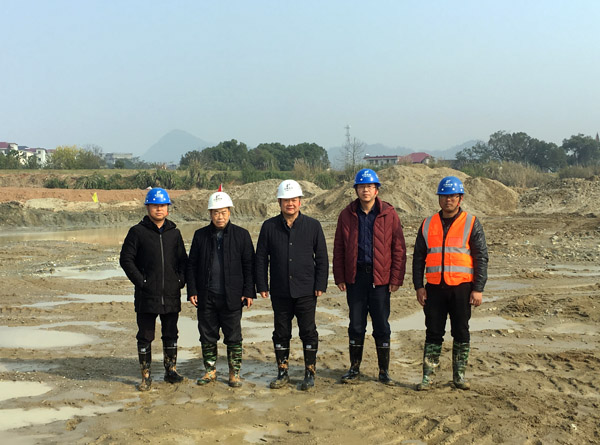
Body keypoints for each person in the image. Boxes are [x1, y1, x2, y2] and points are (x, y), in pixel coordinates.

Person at [412, 176, 488, 391]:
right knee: (433, 332)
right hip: (435, 288)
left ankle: (459, 377)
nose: (448, 200)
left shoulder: (471, 223)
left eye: (452, 196)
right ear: (439, 198)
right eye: (444, 196)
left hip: (462, 288)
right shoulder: (427, 224)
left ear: (460, 198)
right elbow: (418, 258)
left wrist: (478, 289)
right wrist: (419, 286)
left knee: (461, 332)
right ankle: (428, 377)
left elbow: (481, 257)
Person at [333, 168, 406, 386]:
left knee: (381, 325)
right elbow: (339, 248)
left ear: (376, 190)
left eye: (369, 186)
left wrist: (396, 278)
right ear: (356, 190)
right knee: (356, 325)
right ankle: (354, 369)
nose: (365, 190)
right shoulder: (346, 215)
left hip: (380, 279)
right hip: (356, 278)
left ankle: (384, 371)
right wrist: (340, 276)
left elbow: (398, 248)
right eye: (361, 186)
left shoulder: (389, 214)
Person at [255, 179, 328, 391]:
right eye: (286, 200)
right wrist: (262, 285)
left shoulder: (313, 226)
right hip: (280, 290)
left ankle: (309, 373)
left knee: (308, 331)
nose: (290, 204)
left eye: (294, 200)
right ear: (279, 202)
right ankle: (282, 372)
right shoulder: (269, 227)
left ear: (300, 202)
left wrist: (320, 283)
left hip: (306, 289)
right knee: (281, 332)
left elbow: (322, 257)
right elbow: (261, 258)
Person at [120, 187, 188, 391]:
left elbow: (183, 261)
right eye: (155, 205)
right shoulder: (137, 232)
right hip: (146, 295)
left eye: (163, 205)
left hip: (171, 294)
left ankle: (171, 370)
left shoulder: (174, 233)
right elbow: (126, 259)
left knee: (171, 333)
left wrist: (180, 281)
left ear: (168, 208)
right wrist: (142, 282)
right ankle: (146, 375)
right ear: (147, 207)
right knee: (145, 335)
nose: (159, 209)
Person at [186, 189, 255, 388]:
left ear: (230, 212)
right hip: (206, 296)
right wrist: (192, 290)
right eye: (216, 212)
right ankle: (210, 371)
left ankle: (234, 373)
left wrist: (248, 291)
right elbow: (191, 265)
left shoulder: (241, 235)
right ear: (210, 214)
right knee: (207, 335)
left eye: (223, 212)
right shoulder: (200, 236)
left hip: (232, 297)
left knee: (233, 336)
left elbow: (249, 265)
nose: (220, 216)